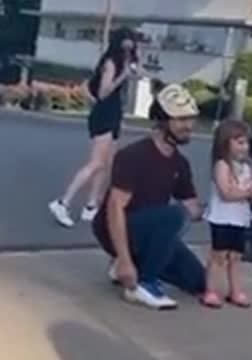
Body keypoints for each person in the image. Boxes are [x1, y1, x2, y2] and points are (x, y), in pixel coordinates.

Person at [93, 84, 206, 310]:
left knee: (199, 282)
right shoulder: (133, 155)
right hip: (117, 227)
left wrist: (232, 202)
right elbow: (115, 208)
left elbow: (193, 209)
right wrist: (124, 259)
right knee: (174, 215)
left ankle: (136, 264)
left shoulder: (180, 163)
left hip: (153, 231)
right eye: (181, 119)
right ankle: (143, 284)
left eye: (191, 119)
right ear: (162, 121)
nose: (188, 126)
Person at [49, 27, 138, 227]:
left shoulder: (123, 62)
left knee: (107, 163)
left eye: (131, 47)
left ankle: (91, 206)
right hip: (104, 115)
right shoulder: (110, 63)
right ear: (119, 44)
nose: (129, 50)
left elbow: (91, 88)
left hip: (113, 114)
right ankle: (63, 202)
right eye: (126, 45)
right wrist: (123, 76)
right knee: (96, 163)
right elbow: (103, 92)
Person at [201, 120, 252, 309]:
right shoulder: (222, 166)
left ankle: (236, 290)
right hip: (222, 217)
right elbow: (226, 193)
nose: (245, 147)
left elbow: (247, 189)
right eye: (239, 142)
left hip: (239, 218)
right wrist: (247, 193)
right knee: (219, 255)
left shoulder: (246, 167)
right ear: (225, 143)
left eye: (246, 143)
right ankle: (210, 290)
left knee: (235, 256)